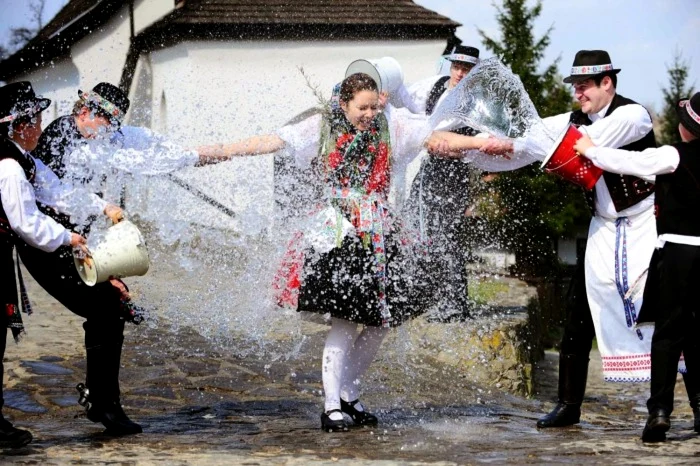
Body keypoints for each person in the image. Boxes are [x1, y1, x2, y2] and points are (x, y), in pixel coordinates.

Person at [429, 50, 669, 428]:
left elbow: (579, 143)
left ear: (608, 83)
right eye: (575, 86)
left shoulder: (632, 115)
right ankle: (569, 406)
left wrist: (519, 144)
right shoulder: (572, 119)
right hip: (604, 226)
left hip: (645, 225)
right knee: (578, 312)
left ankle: (684, 408)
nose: (578, 93)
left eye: (585, 85)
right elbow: (533, 138)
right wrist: (490, 145)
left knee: (669, 314)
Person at [197, 72, 449, 432]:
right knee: (345, 322)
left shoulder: (389, 127)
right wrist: (217, 152)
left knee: (381, 321)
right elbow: (271, 142)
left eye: (374, 107)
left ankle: (349, 393)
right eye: (361, 107)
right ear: (344, 104)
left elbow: (436, 138)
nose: (369, 114)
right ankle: (331, 405)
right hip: (338, 229)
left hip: (379, 228)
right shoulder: (320, 127)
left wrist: (490, 144)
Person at [0, 82, 142, 443]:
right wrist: (79, 247)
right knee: (107, 305)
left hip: (50, 241)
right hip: (43, 243)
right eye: (35, 118)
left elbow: (58, 191)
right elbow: (32, 217)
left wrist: (101, 207)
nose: (109, 132)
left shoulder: (28, 153)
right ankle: (102, 403)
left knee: (108, 307)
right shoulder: (22, 158)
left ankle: (103, 401)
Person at [573, 92, 700, 442]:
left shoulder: (674, 154)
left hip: (679, 252)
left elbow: (631, 163)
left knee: (668, 333)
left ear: (685, 127)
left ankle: (659, 412)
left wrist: (590, 150)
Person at [396, 45, 481, 320]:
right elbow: (405, 98)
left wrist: (451, 148)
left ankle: (454, 304)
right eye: (456, 66)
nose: (459, 72)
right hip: (430, 167)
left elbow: (479, 146)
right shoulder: (434, 88)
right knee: (413, 222)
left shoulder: (478, 103)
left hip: (456, 172)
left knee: (446, 235)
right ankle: (419, 294)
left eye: (466, 69)